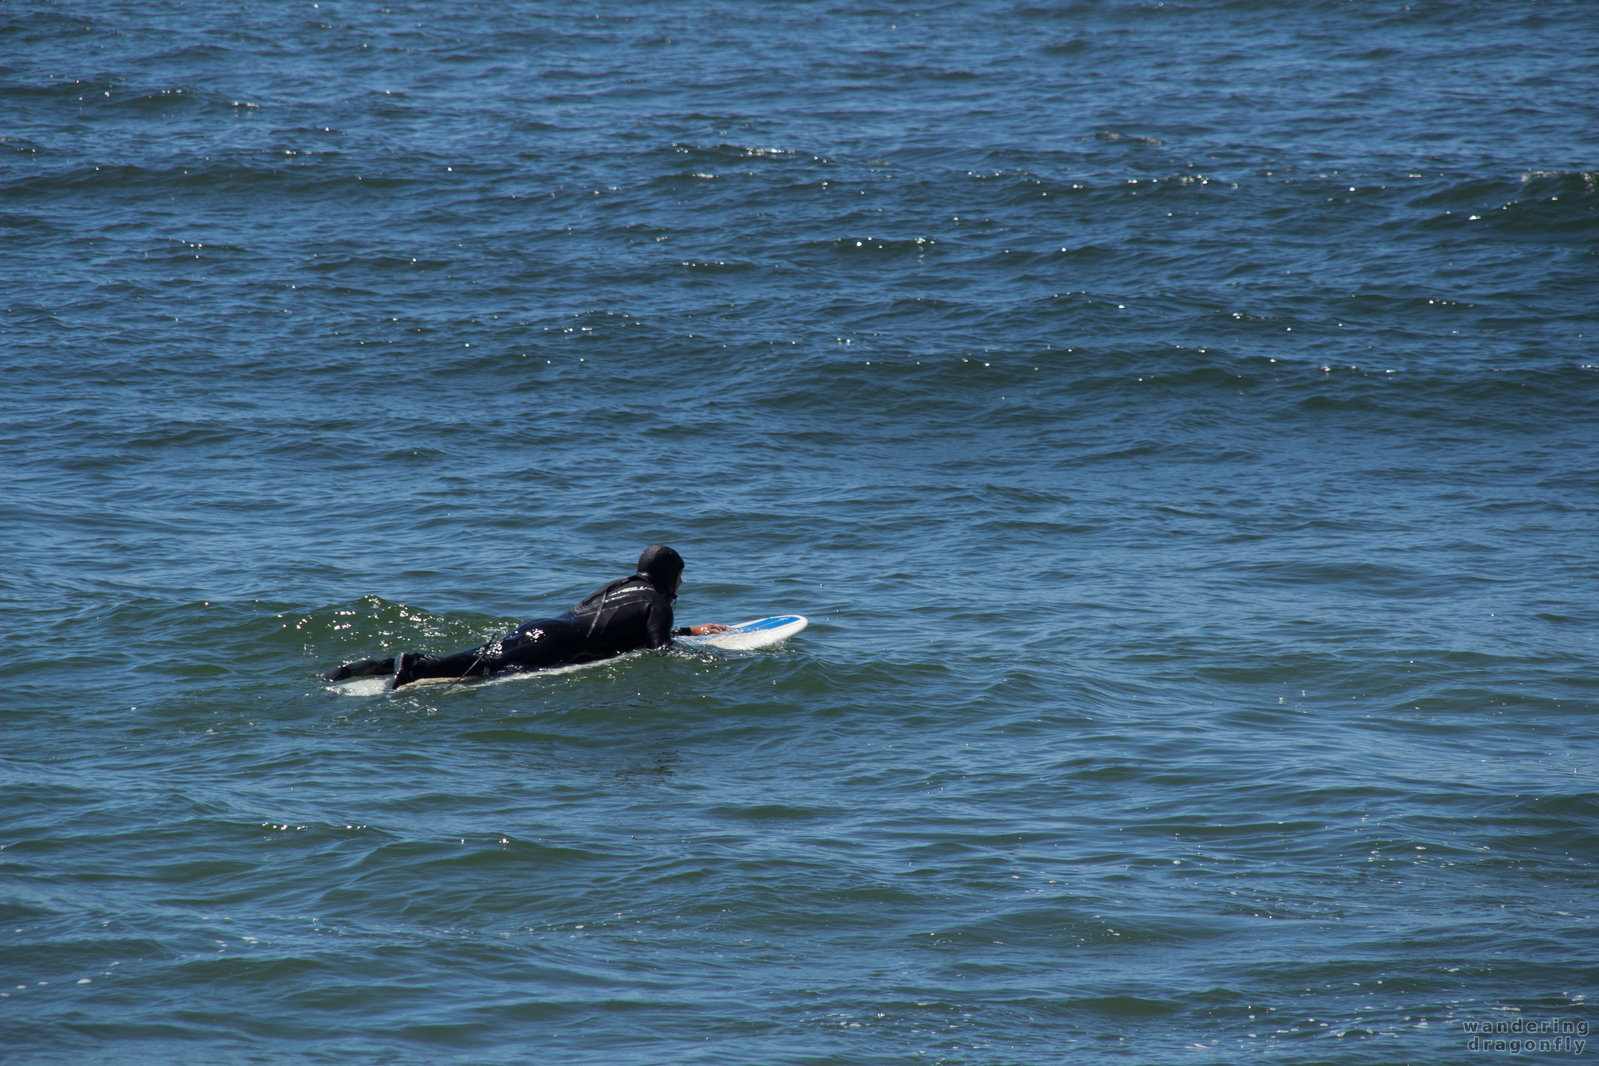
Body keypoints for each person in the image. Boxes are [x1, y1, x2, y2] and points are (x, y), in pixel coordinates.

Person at [322, 544, 728, 690]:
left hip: (543, 627)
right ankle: (414, 667)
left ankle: (381, 665)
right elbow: (659, 650)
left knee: (482, 657)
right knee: (486, 672)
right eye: (680, 576)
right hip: (559, 643)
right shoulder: (658, 602)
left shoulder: (619, 586)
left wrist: (692, 629)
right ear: (668, 577)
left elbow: (628, 627)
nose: (682, 584)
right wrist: (712, 658)